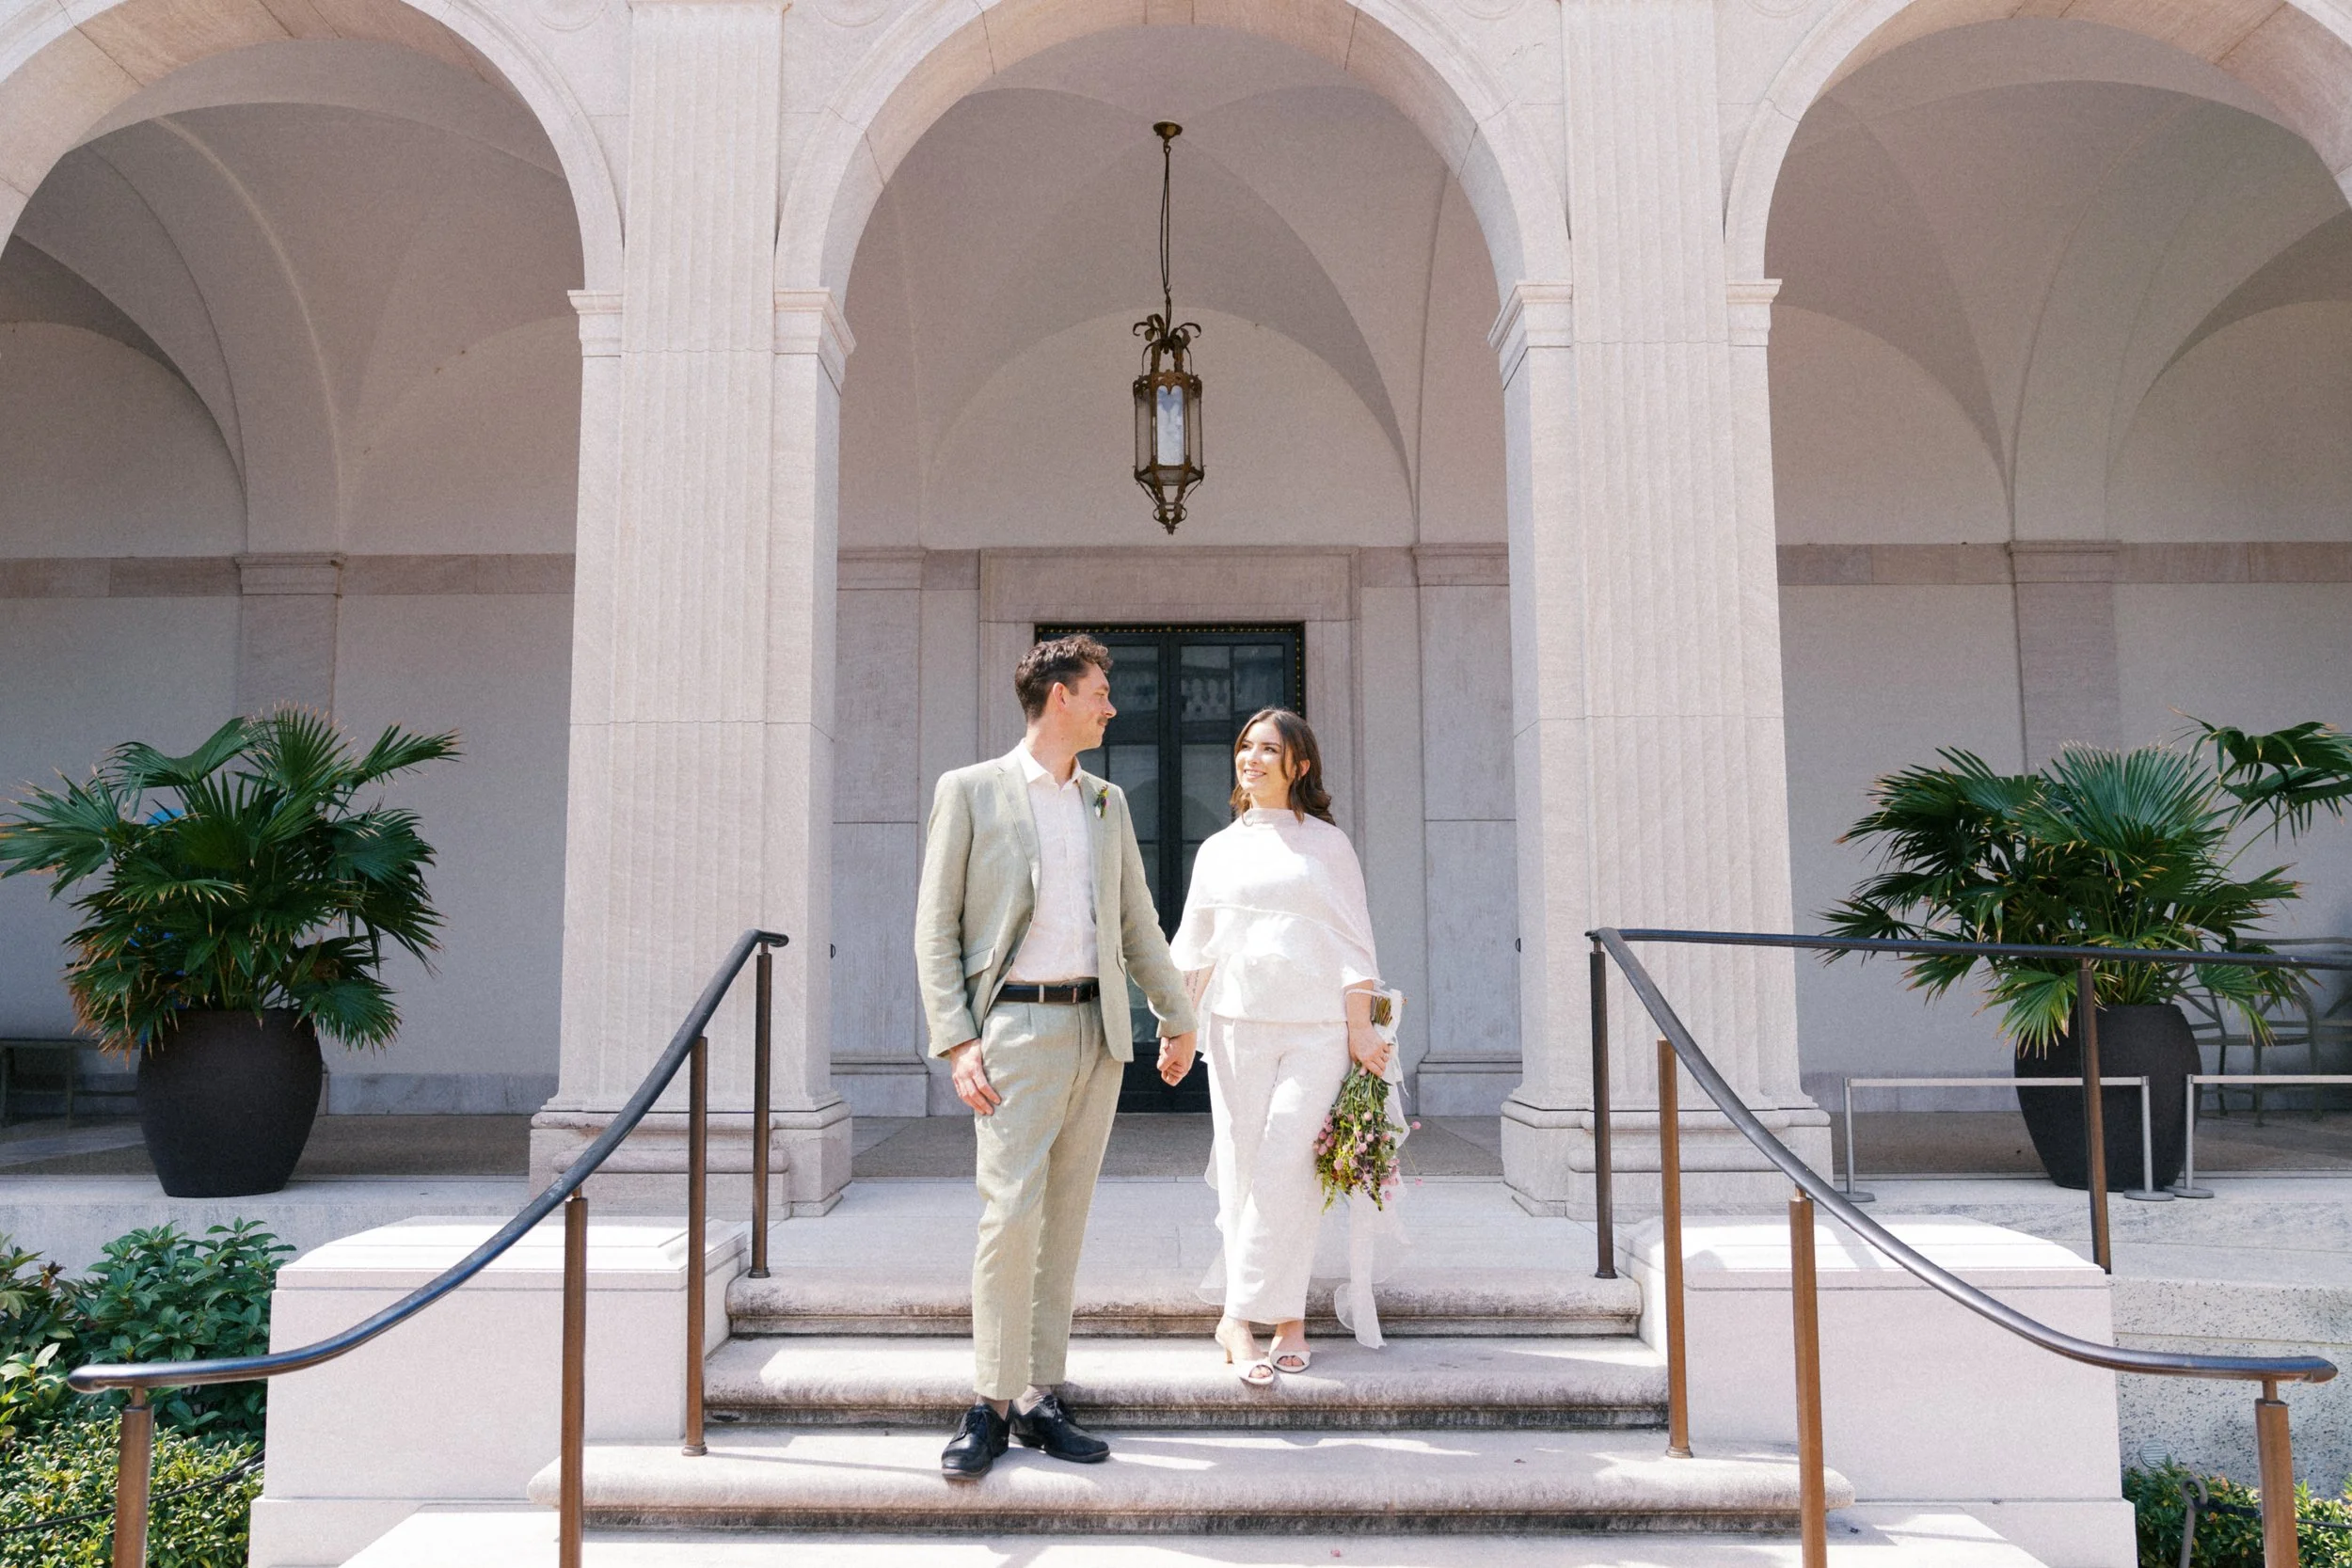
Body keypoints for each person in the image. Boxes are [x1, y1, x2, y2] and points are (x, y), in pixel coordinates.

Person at [913, 633, 1199, 1480]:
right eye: (1101, 691)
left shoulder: (1108, 802)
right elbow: (935, 926)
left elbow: (1137, 921)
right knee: (1009, 1216)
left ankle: (1039, 1396)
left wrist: (1176, 1017)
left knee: (1063, 1222)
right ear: (1059, 696)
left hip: (1096, 1034)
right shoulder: (970, 791)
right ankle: (990, 1402)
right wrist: (958, 1039)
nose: (1112, 706)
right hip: (1014, 1030)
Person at [1161, 707, 1401, 1386]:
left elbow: (1354, 943)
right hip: (1236, 1024)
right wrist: (1177, 1031)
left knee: (1288, 1164)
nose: (1252, 758)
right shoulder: (1218, 849)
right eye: (1246, 746)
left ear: (1300, 765)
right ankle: (1262, 1321)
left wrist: (1361, 1028)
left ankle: (1256, 1313)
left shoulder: (1328, 844)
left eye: (1269, 749)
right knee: (1243, 1164)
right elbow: (1195, 947)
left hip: (1318, 1028)